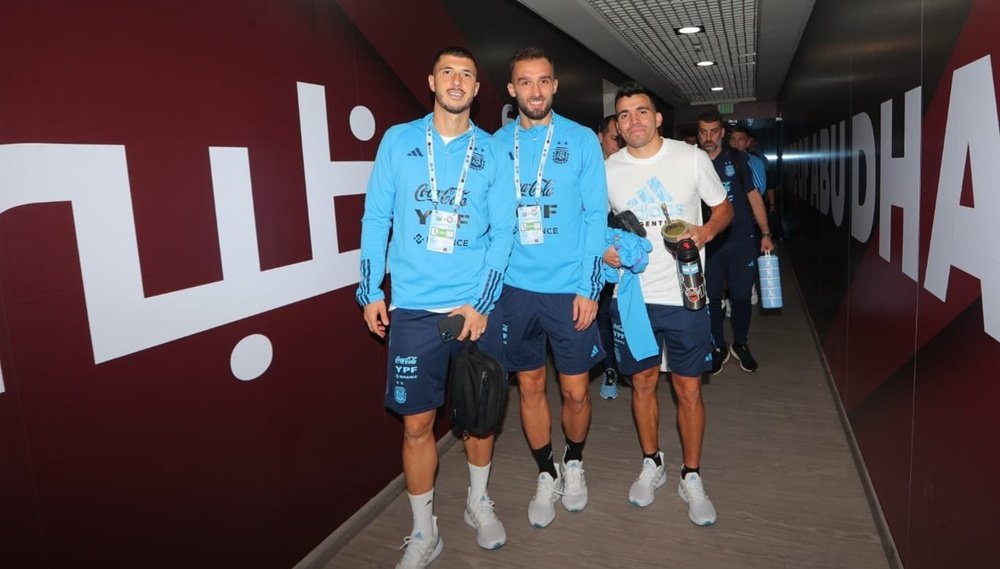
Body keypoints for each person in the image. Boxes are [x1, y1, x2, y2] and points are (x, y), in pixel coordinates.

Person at [356, 46, 516, 569]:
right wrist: (370, 290)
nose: (457, 80)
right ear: (431, 81)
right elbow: (376, 218)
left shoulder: (493, 152)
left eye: (467, 74)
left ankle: (476, 501)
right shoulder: (399, 141)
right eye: (448, 71)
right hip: (413, 312)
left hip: (473, 310)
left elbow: (504, 233)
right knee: (417, 425)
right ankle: (425, 532)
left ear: (476, 90)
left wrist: (481, 302)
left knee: (479, 415)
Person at [604, 81, 733, 526]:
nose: (633, 121)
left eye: (641, 112)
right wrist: (604, 250)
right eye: (624, 115)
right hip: (634, 297)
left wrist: (705, 233)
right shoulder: (608, 169)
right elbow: (593, 228)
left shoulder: (691, 158)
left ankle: (691, 475)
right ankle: (652, 463)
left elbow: (723, 209)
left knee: (688, 389)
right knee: (641, 385)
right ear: (617, 126)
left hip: (687, 295)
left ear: (658, 118)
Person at [494, 47, 608, 528]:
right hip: (515, 289)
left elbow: (596, 215)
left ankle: (575, 461)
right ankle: (548, 470)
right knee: (529, 386)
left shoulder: (581, 140)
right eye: (526, 82)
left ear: (555, 86)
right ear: (511, 88)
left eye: (544, 81)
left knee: (577, 391)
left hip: (569, 289)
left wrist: (589, 287)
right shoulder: (494, 145)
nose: (535, 91)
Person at [698, 111, 775, 374]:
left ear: (722, 133)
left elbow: (754, 198)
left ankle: (740, 344)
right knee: (712, 299)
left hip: (741, 240)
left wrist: (766, 233)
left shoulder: (739, 159)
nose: (708, 137)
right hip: (709, 244)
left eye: (713, 131)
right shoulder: (692, 161)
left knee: (742, 297)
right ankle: (717, 345)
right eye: (703, 132)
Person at [596, 114, 625, 399]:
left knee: (626, 313)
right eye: (616, 137)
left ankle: (628, 364)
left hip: (631, 257)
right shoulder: (589, 171)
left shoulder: (632, 169)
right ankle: (610, 369)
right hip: (600, 256)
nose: (620, 142)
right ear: (601, 137)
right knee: (603, 314)